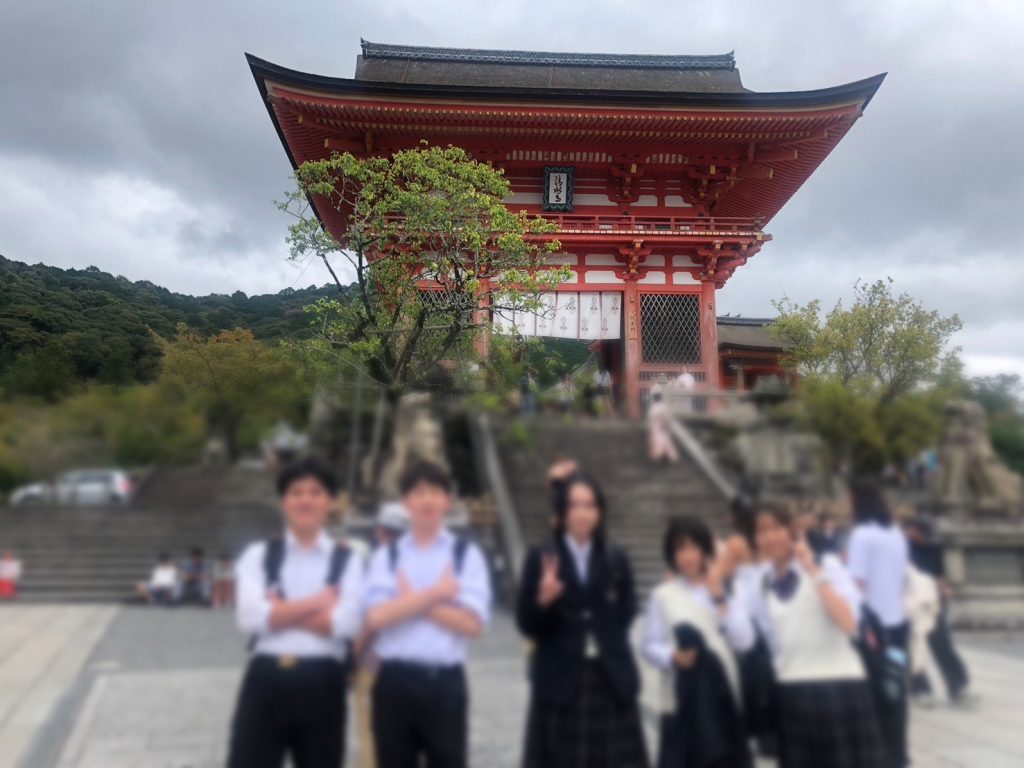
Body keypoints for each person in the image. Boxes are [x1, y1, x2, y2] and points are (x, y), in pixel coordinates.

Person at [227, 457, 364, 768]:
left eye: (315, 492)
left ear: (330, 502)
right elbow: (249, 618)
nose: (306, 500)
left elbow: (347, 623)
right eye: (296, 492)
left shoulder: (348, 559)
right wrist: (319, 602)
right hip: (266, 677)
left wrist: (279, 611)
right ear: (283, 502)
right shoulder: (257, 555)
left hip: (324, 679)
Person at [363, 461, 492, 768]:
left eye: (436, 492)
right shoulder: (386, 557)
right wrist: (438, 594)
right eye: (418, 493)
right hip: (393, 680)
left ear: (448, 500)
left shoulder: (465, 555)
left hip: (444, 683)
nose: (428, 500)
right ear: (406, 502)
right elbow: (376, 618)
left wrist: (409, 601)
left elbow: (471, 624)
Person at [517, 472, 648, 768]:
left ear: (599, 512)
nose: (582, 513)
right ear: (562, 511)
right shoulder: (541, 556)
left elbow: (627, 611)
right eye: (574, 505)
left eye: (590, 505)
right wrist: (543, 601)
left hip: (609, 675)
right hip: (560, 678)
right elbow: (525, 623)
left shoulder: (616, 556)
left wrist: (604, 632)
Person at [749, 503, 886, 768]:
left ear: (792, 531)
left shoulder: (827, 565)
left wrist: (812, 570)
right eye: (762, 531)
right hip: (792, 693)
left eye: (776, 528)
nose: (769, 537)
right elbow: (773, 643)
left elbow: (849, 623)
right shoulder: (761, 584)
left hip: (841, 687)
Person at [643, 516, 754, 768]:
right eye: (680, 548)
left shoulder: (727, 589)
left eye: (694, 546)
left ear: (706, 550)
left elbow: (744, 641)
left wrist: (719, 597)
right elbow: (649, 644)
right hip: (682, 702)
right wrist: (672, 656)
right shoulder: (663, 595)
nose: (688, 555)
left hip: (723, 697)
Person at [847, 480, 910, 767]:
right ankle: (898, 754)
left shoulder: (861, 535)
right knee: (896, 692)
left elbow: (856, 585)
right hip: (897, 622)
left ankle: (879, 756)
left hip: (872, 627)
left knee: (874, 696)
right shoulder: (896, 532)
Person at [353, 502, 410, 768]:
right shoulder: (427, 559)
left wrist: (353, 653)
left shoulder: (382, 558)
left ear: (380, 532)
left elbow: (373, 618)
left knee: (371, 734)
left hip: (376, 661)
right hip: (418, 666)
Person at [904, 517, 975, 706]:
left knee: (942, 642)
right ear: (911, 531)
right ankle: (920, 688)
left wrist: (944, 587)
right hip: (911, 600)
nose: (925, 539)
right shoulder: (902, 547)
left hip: (932, 599)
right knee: (915, 646)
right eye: (921, 535)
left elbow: (939, 573)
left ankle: (958, 686)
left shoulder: (934, 546)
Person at [647, 391, 679, 464]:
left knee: (660, 442)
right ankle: (668, 458)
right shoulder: (661, 406)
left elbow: (663, 417)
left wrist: (664, 424)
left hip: (658, 426)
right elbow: (667, 417)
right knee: (663, 441)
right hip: (659, 426)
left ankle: (660, 457)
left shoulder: (654, 407)